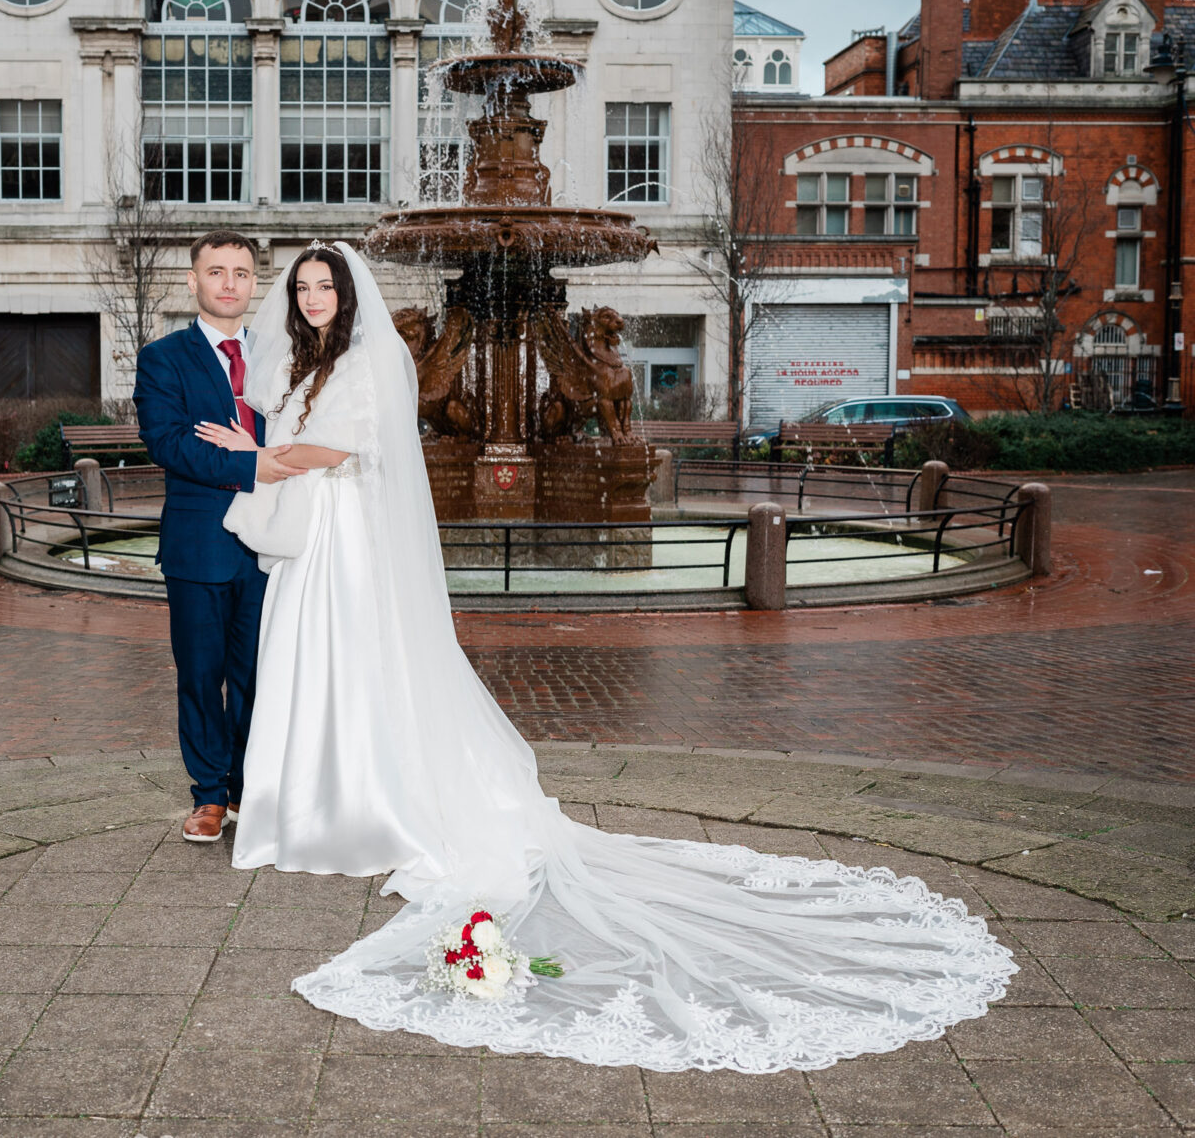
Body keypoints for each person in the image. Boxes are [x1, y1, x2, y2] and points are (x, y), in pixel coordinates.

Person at [193, 240, 1018, 1073]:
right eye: (302, 288)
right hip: (312, 544)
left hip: (347, 545)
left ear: (346, 294)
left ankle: (361, 808)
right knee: (310, 668)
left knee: (352, 667)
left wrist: (254, 457)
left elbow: (340, 452)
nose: (311, 298)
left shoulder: (370, 363)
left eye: (322, 286)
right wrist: (255, 438)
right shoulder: (302, 365)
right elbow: (299, 434)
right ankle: (308, 802)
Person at [133, 229, 302, 844]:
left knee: (261, 674)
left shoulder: (279, 355)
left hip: (270, 545)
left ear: (254, 284)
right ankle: (207, 797)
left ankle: (247, 790)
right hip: (199, 544)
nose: (229, 283)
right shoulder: (163, 359)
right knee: (201, 674)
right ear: (193, 280)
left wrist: (268, 458)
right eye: (216, 272)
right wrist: (253, 464)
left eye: (240, 273)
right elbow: (170, 445)